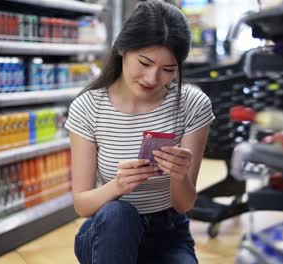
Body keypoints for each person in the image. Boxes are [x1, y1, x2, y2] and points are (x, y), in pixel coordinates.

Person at [64, 0, 215, 263]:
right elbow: (82, 204)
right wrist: (118, 186)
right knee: (119, 214)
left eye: (168, 70)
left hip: (168, 233)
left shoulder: (191, 104)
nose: (152, 78)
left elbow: (184, 204)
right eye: (144, 62)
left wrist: (180, 176)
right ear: (122, 48)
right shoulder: (88, 107)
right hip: (108, 231)